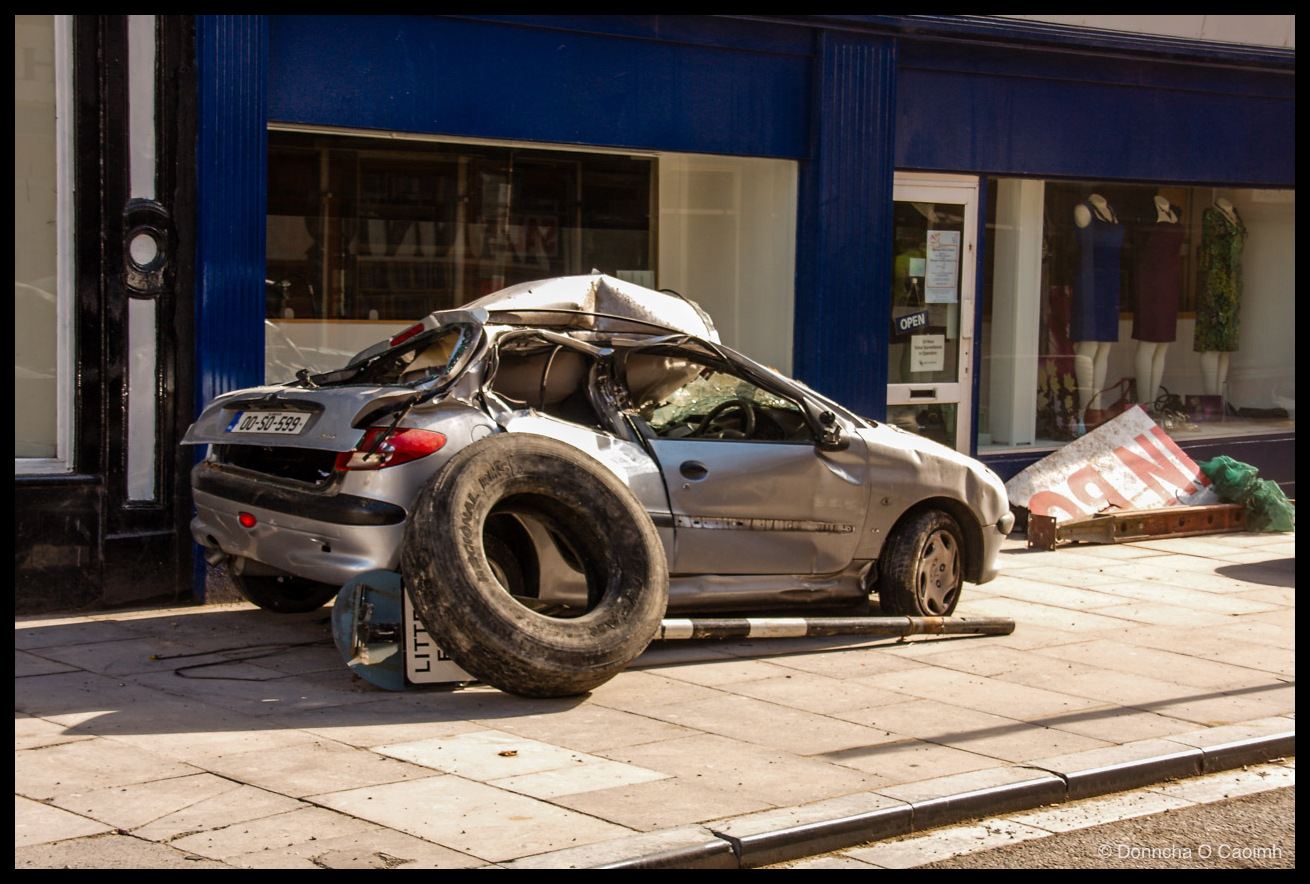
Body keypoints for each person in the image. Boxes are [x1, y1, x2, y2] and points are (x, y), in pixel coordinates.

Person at [1071, 194, 1124, 428]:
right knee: (1089, 344)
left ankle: (1097, 404)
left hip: (1111, 281)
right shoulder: (1083, 210)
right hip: (1091, 280)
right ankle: (1086, 406)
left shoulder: (1111, 210)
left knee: (1104, 347)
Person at [1133, 194, 1184, 410]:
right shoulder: (1146, 212)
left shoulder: (1176, 212)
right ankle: (1144, 403)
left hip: (1170, 282)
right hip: (1151, 282)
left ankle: (1153, 404)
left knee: (1163, 344)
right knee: (1148, 341)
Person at [1193, 197, 1246, 396]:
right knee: (1212, 342)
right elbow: (1210, 249)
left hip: (1233, 284)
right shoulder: (1211, 215)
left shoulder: (1236, 214)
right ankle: (1210, 398)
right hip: (1215, 282)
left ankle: (1219, 399)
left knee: (1226, 346)